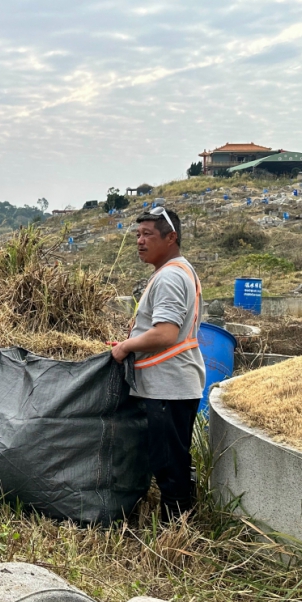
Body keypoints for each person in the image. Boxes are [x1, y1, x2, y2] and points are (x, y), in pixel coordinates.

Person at [111, 207, 205, 521]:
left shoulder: (170, 277)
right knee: (172, 457)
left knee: (169, 463)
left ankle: (175, 527)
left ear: (171, 238)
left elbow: (165, 333)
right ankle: (179, 518)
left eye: (148, 234)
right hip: (170, 385)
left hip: (170, 386)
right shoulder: (175, 271)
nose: (139, 241)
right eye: (138, 235)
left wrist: (126, 346)